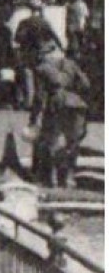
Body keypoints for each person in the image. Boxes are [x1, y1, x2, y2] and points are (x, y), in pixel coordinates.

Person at [33, 44, 92, 188]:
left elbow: (39, 96)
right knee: (72, 143)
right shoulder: (71, 64)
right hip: (76, 104)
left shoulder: (41, 68)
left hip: (56, 102)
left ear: (44, 54)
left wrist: (33, 117)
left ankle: (52, 177)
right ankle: (69, 176)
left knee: (52, 139)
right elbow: (86, 84)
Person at [15, 0, 62, 121]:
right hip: (40, 54)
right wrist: (61, 48)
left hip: (26, 54)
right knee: (39, 80)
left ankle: (27, 102)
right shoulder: (44, 22)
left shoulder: (24, 22)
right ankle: (38, 103)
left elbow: (17, 38)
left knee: (26, 77)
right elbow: (54, 37)